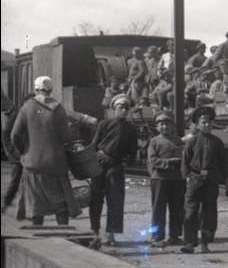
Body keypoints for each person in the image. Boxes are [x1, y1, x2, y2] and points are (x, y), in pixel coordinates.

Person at [10, 77, 79, 226]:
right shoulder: (59, 108)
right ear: (50, 90)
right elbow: (66, 137)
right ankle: (65, 235)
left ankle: (38, 238)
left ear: (35, 90)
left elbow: (14, 135)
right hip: (56, 164)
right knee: (61, 206)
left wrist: (25, 151)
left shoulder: (26, 108)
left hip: (33, 165)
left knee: (36, 206)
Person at [88, 93, 138, 248]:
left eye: (126, 108)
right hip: (99, 167)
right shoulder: (104, 125)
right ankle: (94, 232)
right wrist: (99, 155)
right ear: (114, 108)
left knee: (115, 201)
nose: (123, 110)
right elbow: (94, 145)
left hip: (115, 168)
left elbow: (132, 152)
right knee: (96, 200)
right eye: (120, 107)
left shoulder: (131, 129)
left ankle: (111, 234)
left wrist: (123, 162)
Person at [181, 106, 228, 254]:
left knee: (209, 212)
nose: (207, 125)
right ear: (197, 124)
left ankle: (205, 243)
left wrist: (227, 180)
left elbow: (224, 164)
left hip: (211, 181)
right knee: (190, 211)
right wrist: (187, 177)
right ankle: (190, 242)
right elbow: (185, 162)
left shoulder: (217, 142)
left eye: (209, 121)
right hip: (195, 180)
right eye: (203, 121)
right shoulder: (192, 141)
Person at [147, 112, 185, 247]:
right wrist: (169, 162)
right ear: (157, 127)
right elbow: (152, 160)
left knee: (177, 208)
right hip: (160, 179)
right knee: (158, 208)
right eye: (161, 124)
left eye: (167, 124)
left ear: (172, 127)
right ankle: (157, 237)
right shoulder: (154, 141)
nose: (164, 127)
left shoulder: (179, 141)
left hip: (176, 180)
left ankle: (174, 236)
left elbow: (184, 159)